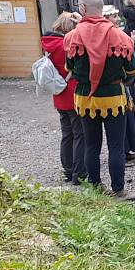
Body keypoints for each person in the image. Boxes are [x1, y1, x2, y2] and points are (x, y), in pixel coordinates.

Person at [63, 0, 135, 200]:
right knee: (116, 145)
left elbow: (68, 66)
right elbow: (133, 68)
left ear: (82, 8)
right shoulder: (120, 36)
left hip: (85, 98)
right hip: (113, 97)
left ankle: (96, 187)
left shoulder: (72, 37)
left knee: (91, 144)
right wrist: (122, 77)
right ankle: (118, 190)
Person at [41, 11, 85, 184]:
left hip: (59, 94)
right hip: (72, 93)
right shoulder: (65, 45)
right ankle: (79, 173)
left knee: (67, 134)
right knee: (80, 134)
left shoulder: (49, 44)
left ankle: (68, 169)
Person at [104, 5, 135, 162]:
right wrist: (132, 43)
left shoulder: (118, 34)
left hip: (127, 83)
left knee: (129, 116)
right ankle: (122, 152)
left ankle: (128, 149)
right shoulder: (110, 37)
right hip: (118, 84)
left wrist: (132, 43)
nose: (118, 19)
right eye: (114, 16)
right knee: (120, 120)